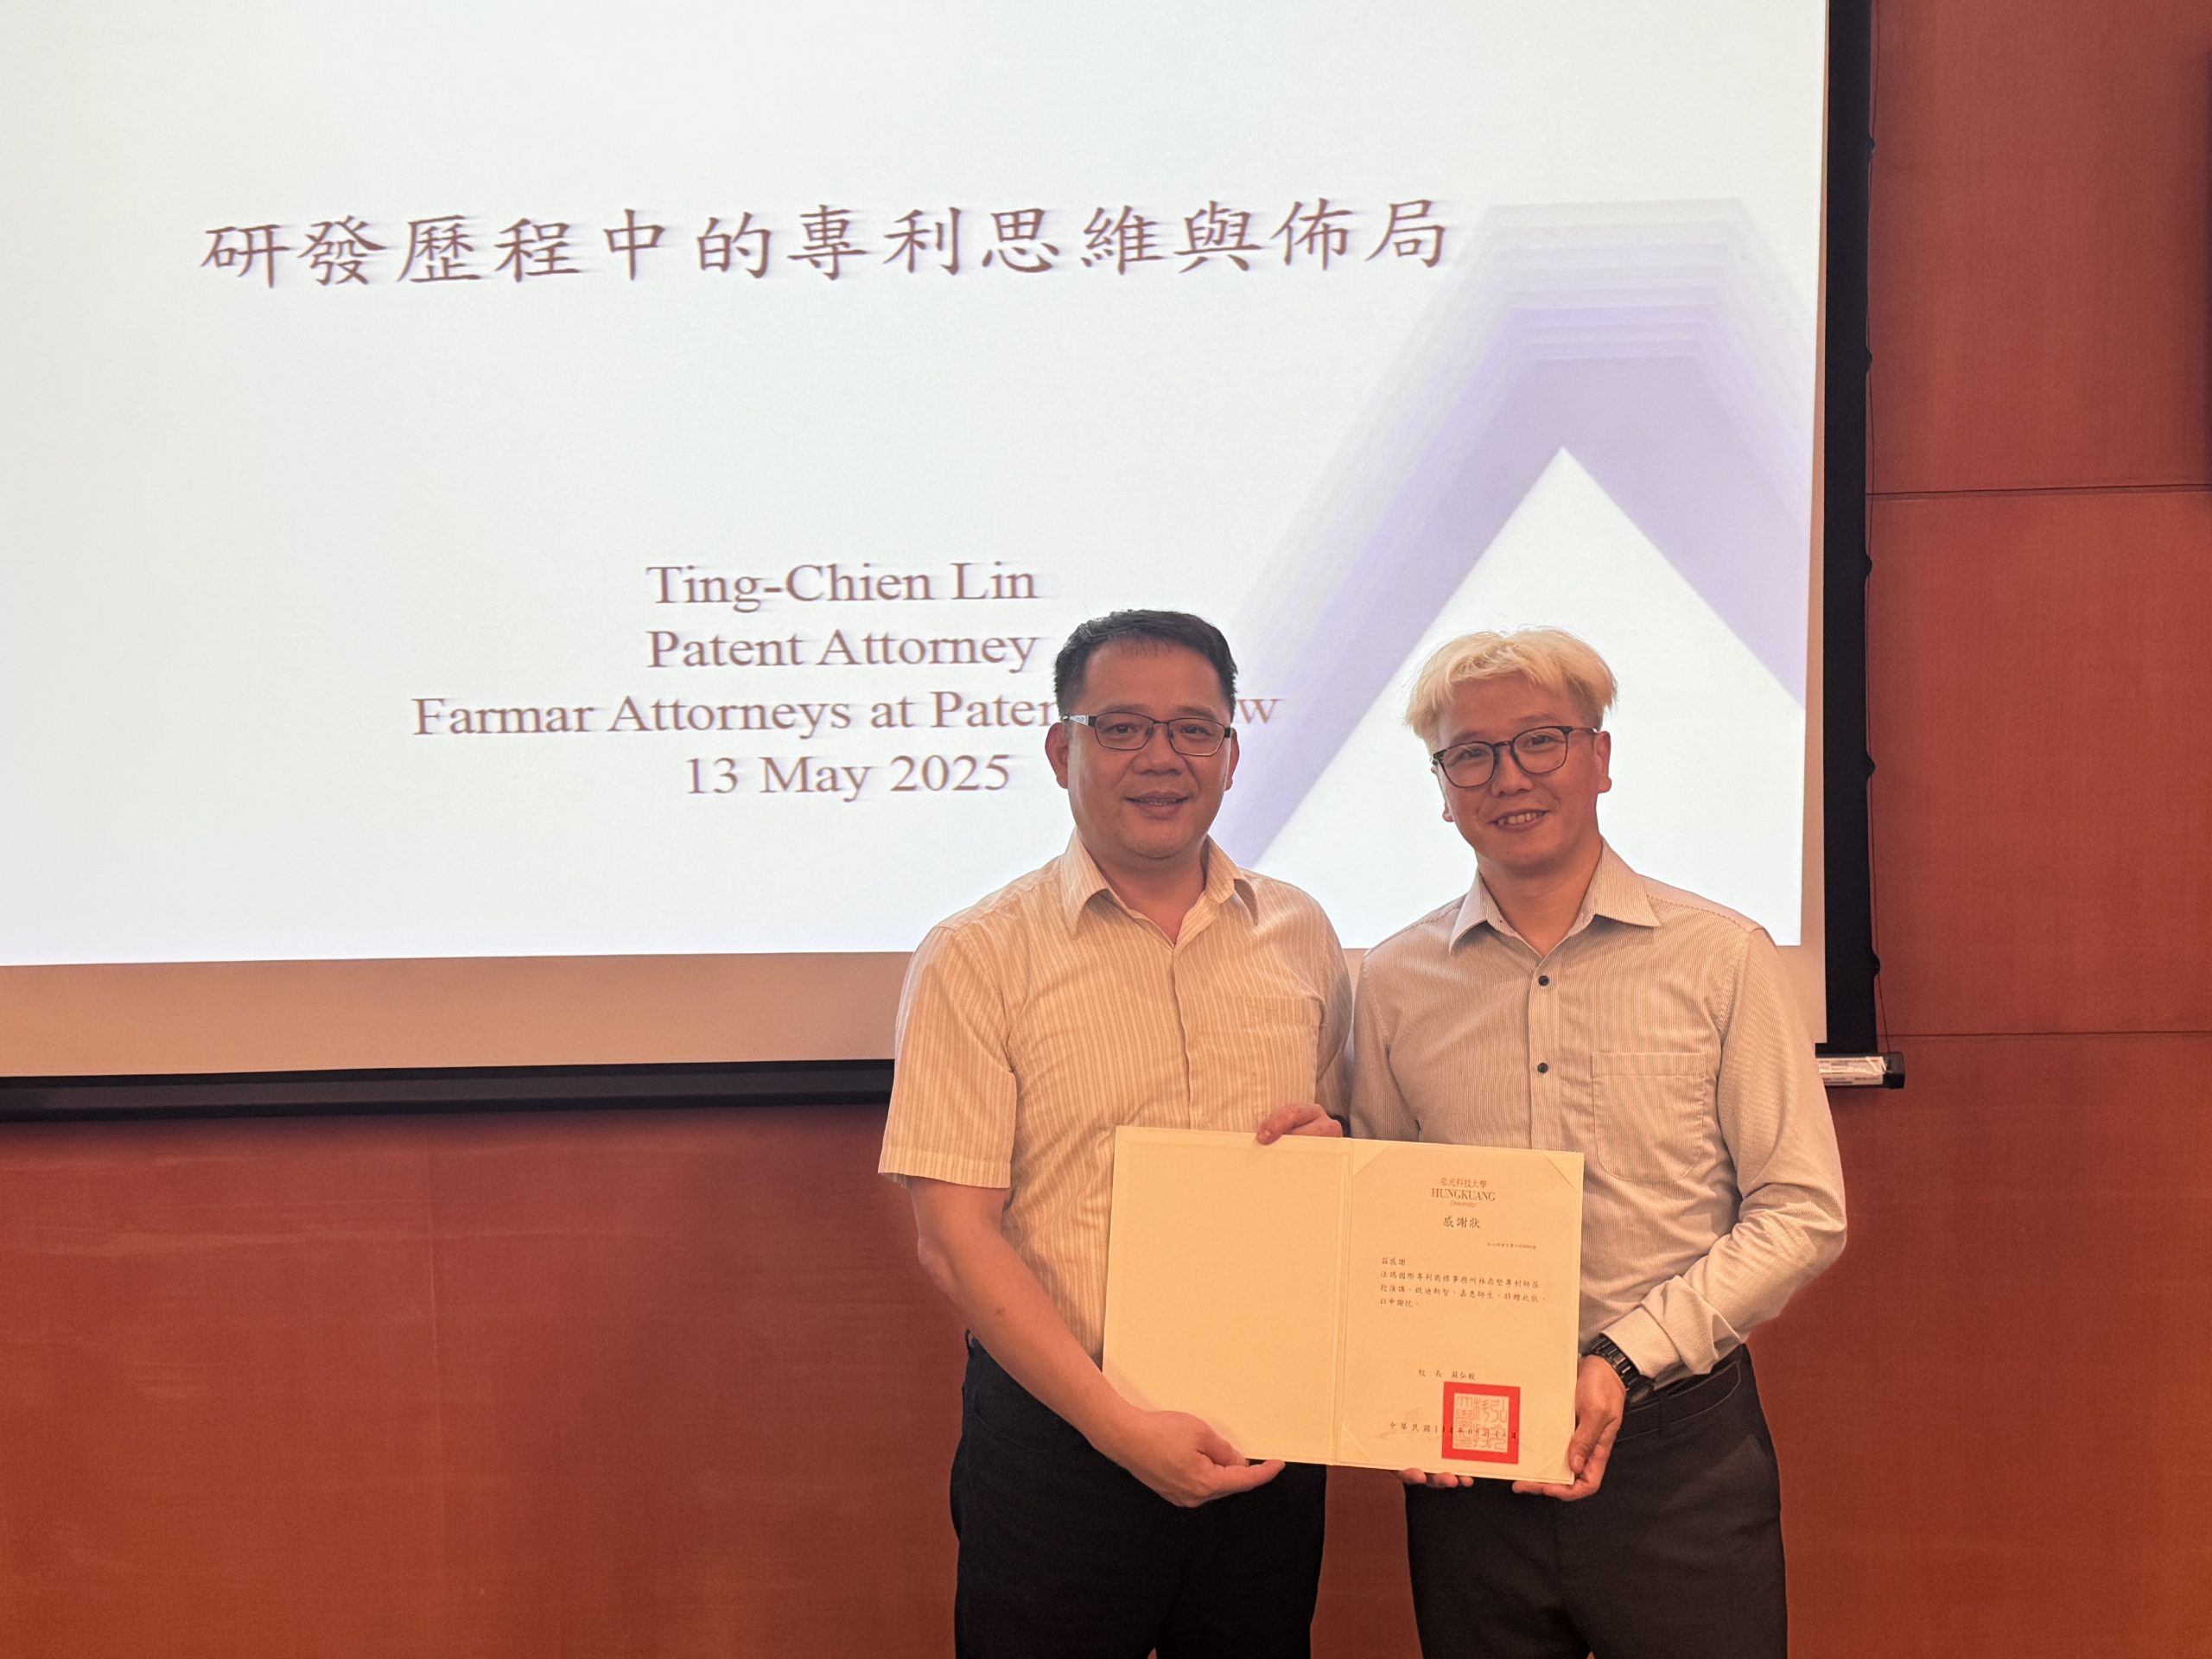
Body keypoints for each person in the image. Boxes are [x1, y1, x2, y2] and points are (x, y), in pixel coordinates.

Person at [1347, 626, 1846, 1659]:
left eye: (1540, 741)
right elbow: (1385, 1209)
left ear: (1599, 759)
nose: (1508, 777)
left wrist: (1622, 1359)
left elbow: (1801, 1211)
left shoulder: (1721, 958)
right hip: (1470, 1459)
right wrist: (1403, 1384)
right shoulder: (1393, 980)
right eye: (1469, 754)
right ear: (1441, 789)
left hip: (1677, 1451)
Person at [879, 609, 1351, 1659]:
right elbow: (954, 1237)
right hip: (1058, 1445)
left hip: (1263, 1429)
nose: (1161, 758)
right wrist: (1115, 1424)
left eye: (1192, 730)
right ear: (1063, 749)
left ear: (1230, 753)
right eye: (1123, 727)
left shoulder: (1301, 935)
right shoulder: (977, 955)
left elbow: (1331, 1147)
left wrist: (1330, 1153)